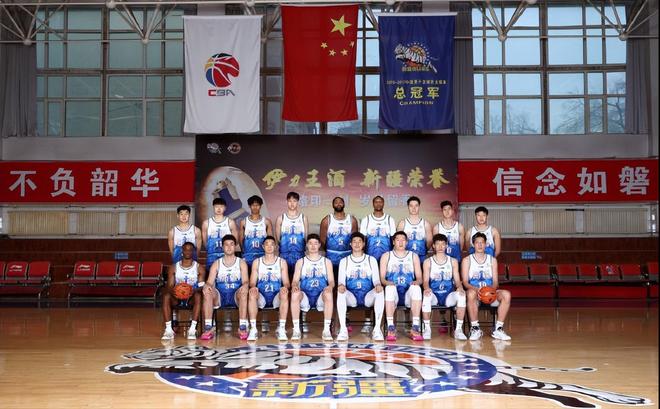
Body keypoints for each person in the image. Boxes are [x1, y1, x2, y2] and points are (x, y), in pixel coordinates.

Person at [461, 232, 512, 341]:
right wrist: (478, 290)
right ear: (473, 244)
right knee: (470, 294)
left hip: (490, 292)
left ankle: (498, 329)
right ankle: (475, 329)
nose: (480, 245)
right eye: (477, 243)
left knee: (506, 295)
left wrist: (488, 291)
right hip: (475, 292)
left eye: (482, 242)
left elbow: (495, 282)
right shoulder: (467, 260)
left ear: (486, 244)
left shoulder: (492, 260)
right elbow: (465, 282)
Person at [336, 232, 385, 342]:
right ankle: (343, 330)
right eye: (354, 241)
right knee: (340, 292)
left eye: (359, 242)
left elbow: (376, 280)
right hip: (351, 297)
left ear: (363, 244)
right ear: (350, 244)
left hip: (367, 296)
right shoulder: (344, 261)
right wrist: (341, 286)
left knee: (380, 291)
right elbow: (341, 281)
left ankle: (377, 330)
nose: (357, 244)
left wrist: (378, 285)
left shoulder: (371, 259)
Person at [199, 235, 249, 340]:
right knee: (207, 292)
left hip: (236, 296)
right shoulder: (216, 263)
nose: (229, 247)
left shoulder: (241, 263)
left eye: (231, 244)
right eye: (226, 245)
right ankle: (208, 328)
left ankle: (242, 328)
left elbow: (245, 281)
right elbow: (209, 282)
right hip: (220, 296)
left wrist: (245, 286)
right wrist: (206, 286)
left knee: (244, 292)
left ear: (235, 246)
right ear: (222, 247)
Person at [421, 234, 468, 340]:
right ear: (433, 246)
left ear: (446, 245)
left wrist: (460, 287)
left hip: (448, 295)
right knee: (426, 296)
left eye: (443, 244)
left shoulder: (453, 261)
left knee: (461, 296)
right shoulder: (428, 262)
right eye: (438, 244)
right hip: (434, 295)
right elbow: (425, 281)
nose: (440, 246)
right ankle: (427, 329)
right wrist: (426, 288)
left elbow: (457, 280)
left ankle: (458, 330)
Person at [380, 231, 423, 342]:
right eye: (398, 240)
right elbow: (382, 279)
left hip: (408, 295)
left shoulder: (413, 256)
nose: (400, 242)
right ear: (393, 242)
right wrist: (387, 283)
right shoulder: (386, 256)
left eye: (403, 240)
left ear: (407, 242)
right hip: (393, 295)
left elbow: (420, 278)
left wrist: (416, 282)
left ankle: (415, 327)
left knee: (416, 288)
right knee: (389, 288)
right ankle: (391, 328)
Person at [290, 234, 334, 342]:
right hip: (305, 295)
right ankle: (296, 330)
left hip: (321, 296)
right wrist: (294, 286)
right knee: (295, 294)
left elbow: (331, 281)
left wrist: (330, 287)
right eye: (310, 243)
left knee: (329, 294)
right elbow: (295, 280)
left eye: (315, 243)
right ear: (306, 245)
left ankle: (326, 330)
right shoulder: (301, 262)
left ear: (319, 245)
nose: (313, 246)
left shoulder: (326, 262)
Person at [247, 236, 290, 341]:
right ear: (263, 246)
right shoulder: (257, 262)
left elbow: (286, 282)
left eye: (272, 244)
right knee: (252, 293)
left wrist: (285, 287)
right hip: (261, 295)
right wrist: (253, 287)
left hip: (276, 296)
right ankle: (253, 329)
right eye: (267, 244)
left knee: (284, 293)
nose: (269, 246)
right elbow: (252, 282)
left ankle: (281, 328)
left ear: (276, 246)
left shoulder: (282, 262)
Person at [161, 242, 205, 340]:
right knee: (166, 296)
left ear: (193, 252)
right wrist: (176, 291)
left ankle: (192, 329)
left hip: (191, 298)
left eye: (190, 250)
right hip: (177, 298)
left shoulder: (199, 268)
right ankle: (168, 330)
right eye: (185, 249)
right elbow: (170, 286)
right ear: (182, 251)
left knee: (198, 296)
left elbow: (201, 286)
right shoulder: (174, 267)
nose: (187, 252)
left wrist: (191, 291)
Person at [275, 192, 308, 277]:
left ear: (298, 202)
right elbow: (278, 239)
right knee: (284, 278)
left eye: (294, 201)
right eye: (290, 201)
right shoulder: (281, 218)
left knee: (298, 279)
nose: (292, 203)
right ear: (286, 202)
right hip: (284, 254)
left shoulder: (303, 218)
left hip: (299, 254)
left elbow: (306, 238)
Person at [319, 196, 358, 269]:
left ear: (344, 204)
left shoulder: (352, 220)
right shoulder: (327, 220)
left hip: (347, 255)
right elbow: (322, 241)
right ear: (333, 205)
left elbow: (355, 240)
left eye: (340, 202)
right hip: (331, 256)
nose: (338, 204)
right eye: (336, 202)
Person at [202, 198, 239, 272]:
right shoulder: (206, 223)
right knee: (211, 276)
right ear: (213, 207)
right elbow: (205, 242)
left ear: (225, 208)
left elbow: (235, 241)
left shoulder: (230, 222)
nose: (219, 209)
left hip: (226, 256)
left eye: (221, 206)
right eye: (216, 206)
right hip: (211, 256)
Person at [238, 195, 273, 268]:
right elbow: (241, 239)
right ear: (249, 206)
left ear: (260, 206)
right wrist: (244, 252)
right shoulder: (244, 222)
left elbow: (270, 239)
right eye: (253, 205)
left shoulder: (266, 221)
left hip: (262, 254)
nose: (255, 207)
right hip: (248, 254)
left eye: (257, 205)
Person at [359, 195, 397, 262]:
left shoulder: (390, 219)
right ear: (373, 204)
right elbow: (363, 240)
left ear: (383, 203)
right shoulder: (366, 219)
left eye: (380, 202)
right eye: (376, 202)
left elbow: (393, 239)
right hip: (370, 257)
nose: (378, 204)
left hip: (387, 257)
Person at [397, 196, 432, 263]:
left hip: (421, 257)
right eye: (411, 206)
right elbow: (398, 242)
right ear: (408, 207)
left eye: (416, 205)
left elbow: (429, 241)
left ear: (419, 207)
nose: (414, 208)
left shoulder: (426, 224)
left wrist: (422, 250)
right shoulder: (402, 223)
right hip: (406, 258)